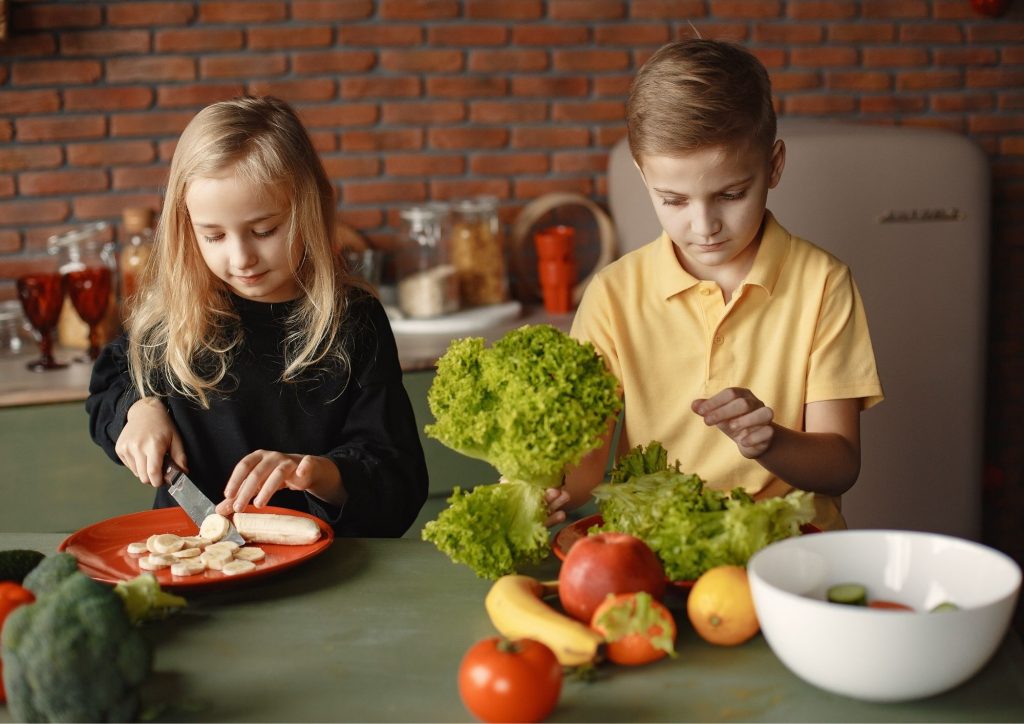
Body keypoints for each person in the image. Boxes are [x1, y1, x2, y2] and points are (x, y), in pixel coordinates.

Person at [547, 39, 883, 530]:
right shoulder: (613, 295)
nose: (704, 226)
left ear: (774, 166)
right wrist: (546, 488)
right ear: (644, 178)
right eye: (674, 200)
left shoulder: (822, 284)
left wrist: (770, 439)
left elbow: (840, 466)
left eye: (730, 194)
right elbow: (586, 469)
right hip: (655, 548)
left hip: (789, 549)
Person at [87, 96, 429, 538]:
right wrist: (137, 410)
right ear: (186, 227)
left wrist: (315, 474)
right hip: (193, 556)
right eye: (213, 236)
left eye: (264, 230)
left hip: (327, 567)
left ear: (310, 207)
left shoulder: (352, 321)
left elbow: (397, 479)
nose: (241, 258)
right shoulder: (169, 314)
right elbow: (108, 385)